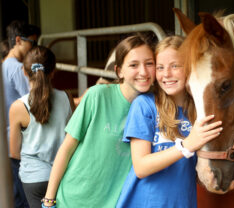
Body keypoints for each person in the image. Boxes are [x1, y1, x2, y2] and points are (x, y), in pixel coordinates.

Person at [42, 34, 156, 208]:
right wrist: (49, 200)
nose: (143, 71)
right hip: (72, 199)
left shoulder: (155, 107)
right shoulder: (98, 95)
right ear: (119, 71)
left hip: (113, 203)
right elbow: (66, 149)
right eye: (134, 65)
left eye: (149, 63)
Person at [116, 36, 223, 208]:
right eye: (160, 67)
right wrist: (186, 145)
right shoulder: (145, 105)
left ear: (189, 67)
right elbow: (141, 167)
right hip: (143, 203)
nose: (166, 74)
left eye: (175, 66)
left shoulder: (199, 111)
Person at [9, 46, 74, 208]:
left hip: (34, 179)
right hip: (63, 174)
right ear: (53, 72)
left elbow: (15, 152)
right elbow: (72, 138)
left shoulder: (18, 107)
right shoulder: (67, 97)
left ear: (24, 72)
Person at [2, 20, 40, 208]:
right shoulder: (16, 68)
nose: (34, 48)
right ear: (18, 40)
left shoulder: (4, 65)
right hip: (18, 141)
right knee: (23, 198)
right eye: (32, 43)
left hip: (9, 141)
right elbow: (35, 99)